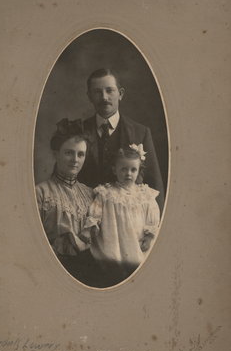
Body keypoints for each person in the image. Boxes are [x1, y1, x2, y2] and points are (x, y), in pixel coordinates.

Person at [78, 68, 165, 212]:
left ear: (121, 94)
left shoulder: (140, 132)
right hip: (86, 213)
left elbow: (154, 183)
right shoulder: (79, 130)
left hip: (128, 218)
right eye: (97, 92)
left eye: (109, 90)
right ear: (89, 97)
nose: (104, 97)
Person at [80, 145, 160, 286]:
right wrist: (90, 228)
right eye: (123, 169)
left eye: (133, 169)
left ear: (139, 171)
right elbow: (96, 212)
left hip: (137, 240)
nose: (128, 173)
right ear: (114, 170)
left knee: (138, 268)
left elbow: (152, 218)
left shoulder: (145, 194)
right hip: (114, 240)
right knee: (114, 269)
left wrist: (149, 236)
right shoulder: (106, 193)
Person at [35, 118, 95, 283]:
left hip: (87, 274)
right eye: (69, 152)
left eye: (80, 154)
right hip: (50, 275)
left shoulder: (91, 194)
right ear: (56, 154)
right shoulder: (40, 193)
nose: (75, 159)